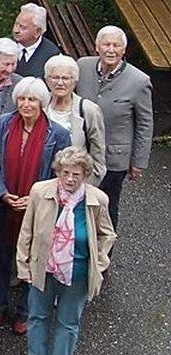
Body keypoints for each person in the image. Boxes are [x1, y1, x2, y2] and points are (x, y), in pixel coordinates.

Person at [18, 146, 116, 355]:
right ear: (58, 172)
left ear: (85, 175)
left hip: (79, 271)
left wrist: (100, 263)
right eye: (65, 173)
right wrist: (23, 265)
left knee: (68, 321)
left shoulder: (97, 200)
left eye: (76, 174)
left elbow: (108, 234)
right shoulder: (41, 192)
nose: (70, 179)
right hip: (44, 267)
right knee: (37, 315)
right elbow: (26, 231)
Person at [0, 77, 71, 333]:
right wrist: (2, 193)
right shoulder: (4, 123)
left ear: (42, 102)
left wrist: (34, 198)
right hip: (5, 204)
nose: (26, 104)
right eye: (22, 99)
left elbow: (63, 175)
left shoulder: (57, 133)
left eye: (32, 99)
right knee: (2, 257)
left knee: (32, 258)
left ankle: (24, 310)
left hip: (39, 208)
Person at [75, 25, 152, 227]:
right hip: (79, 153)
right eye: (106, 44)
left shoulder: (139, 81)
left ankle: (103, 256)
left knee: (105, 208)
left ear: (123, 50)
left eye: (116, 45)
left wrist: (138, 162)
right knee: (75, 204)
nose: (111, 49)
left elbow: (145, 124)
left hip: (114, 159)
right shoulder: (82, 66)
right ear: (96, 47)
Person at [44, 55, 106, 184]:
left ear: (75, 81)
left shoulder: (89, 110)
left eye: (66, 78)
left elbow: (98, 155)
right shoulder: (40, 106)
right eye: (55, 77)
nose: (60, 83)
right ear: (47, 80)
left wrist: (84, 188)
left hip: (75, 184)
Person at [13, 3, 60, 78]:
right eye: (16, 24)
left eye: (23, 27)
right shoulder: (2, 46)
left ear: (38, 32)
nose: (16, 30)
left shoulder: (52, 55)